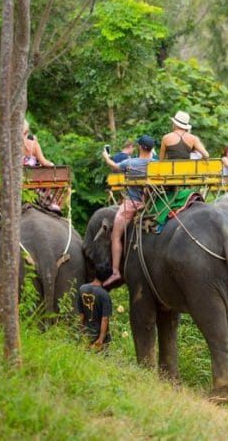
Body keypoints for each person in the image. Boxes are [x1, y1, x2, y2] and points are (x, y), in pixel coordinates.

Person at [102, 134, 154, 287]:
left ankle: (116, 271)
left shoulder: (130, 162)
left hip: (132, 204)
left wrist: (106, 156)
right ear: (151, 149)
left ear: (139, 147)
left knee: (115, 236)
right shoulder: (157, 164)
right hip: (152, 204)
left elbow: (114, 166)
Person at [77, 263, 113, 351]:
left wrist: (81, 332)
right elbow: (105, 319)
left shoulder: (82, 289)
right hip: (98, 336)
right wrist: (100, 339)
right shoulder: (104, 295)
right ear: (107, 278)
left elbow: (81, 315)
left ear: (95, 273)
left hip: (86, 334)